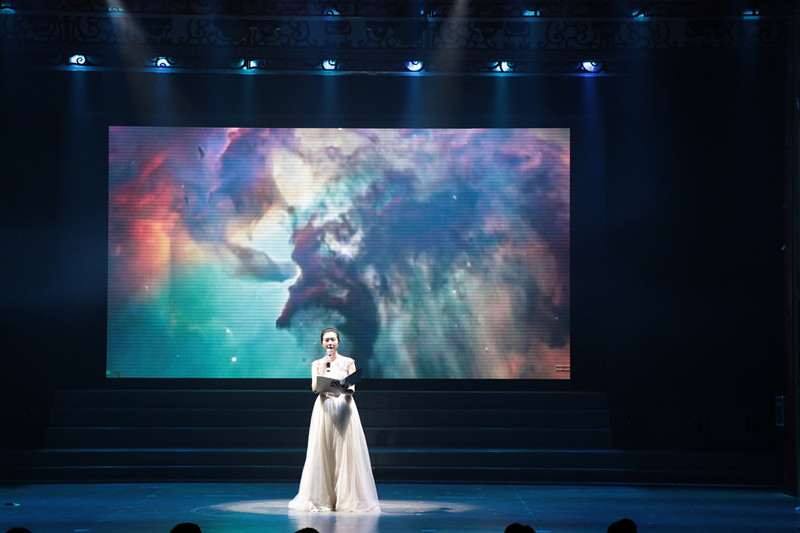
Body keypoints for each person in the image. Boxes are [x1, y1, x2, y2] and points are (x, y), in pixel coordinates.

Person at [288, 327, 380, 513]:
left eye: (333, 339)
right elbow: (315, 387)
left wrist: (344, 389)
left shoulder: (348, 362)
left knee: (345, 450)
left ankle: (346, 499)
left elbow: (352, 387)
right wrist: (325, 368)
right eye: (327, 340)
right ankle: (323, 499)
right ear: (322, 343)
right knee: (323, 449)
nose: (330, 343)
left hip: (343, 406)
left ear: (338, 342)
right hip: (324, 407)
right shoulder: (317, 364)